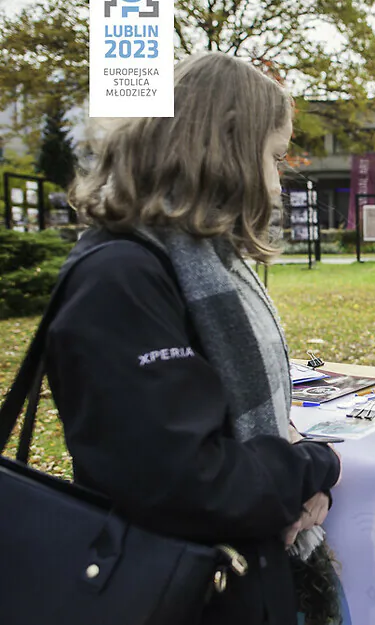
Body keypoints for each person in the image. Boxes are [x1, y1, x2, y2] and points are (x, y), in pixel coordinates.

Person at [49, 52, 341, 625]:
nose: (278, 183)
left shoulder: (199, 261)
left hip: (235, 581)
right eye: (274, 157)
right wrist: (313, 468)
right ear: (226, 149)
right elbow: (186, 480)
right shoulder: (120, 280)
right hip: (179, 593)